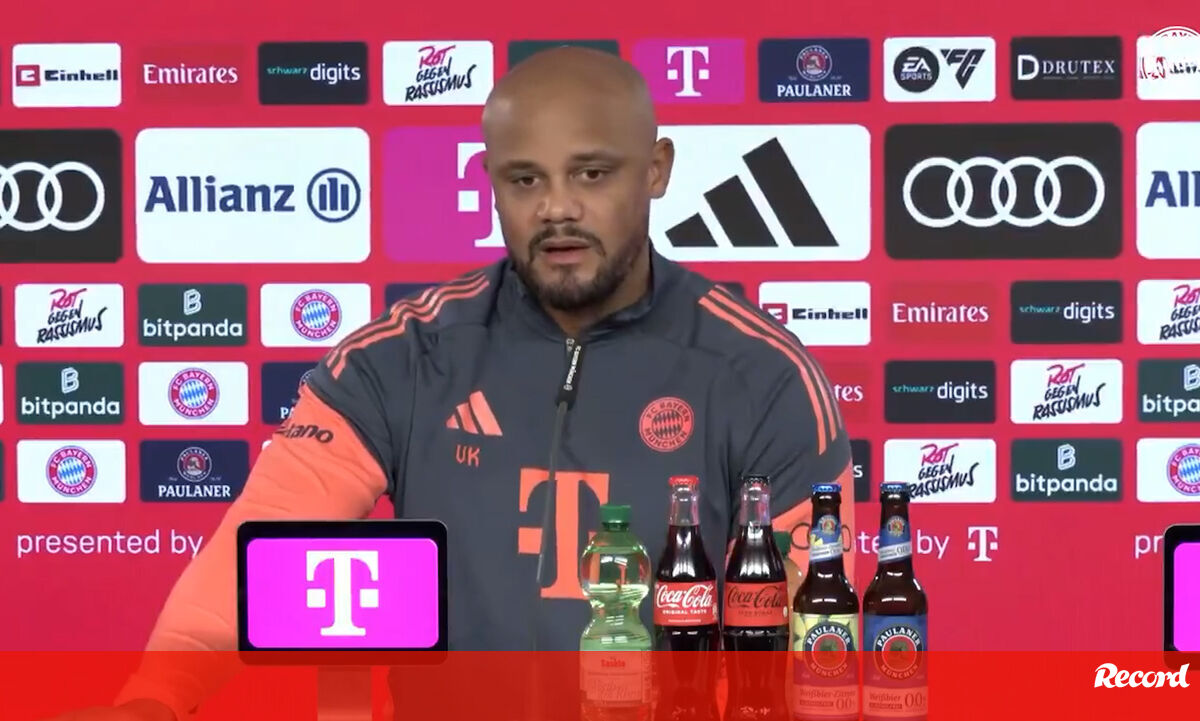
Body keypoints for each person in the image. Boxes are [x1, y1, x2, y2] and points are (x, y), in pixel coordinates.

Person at [55, 46, 853, 721]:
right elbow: (251, 557)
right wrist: (152, 700)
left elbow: (819, 632)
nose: (558, 208)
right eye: (525, 180)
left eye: (591, 173)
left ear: (656, 170)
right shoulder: (404, 357)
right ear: (490, 183)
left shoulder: (761, 376)